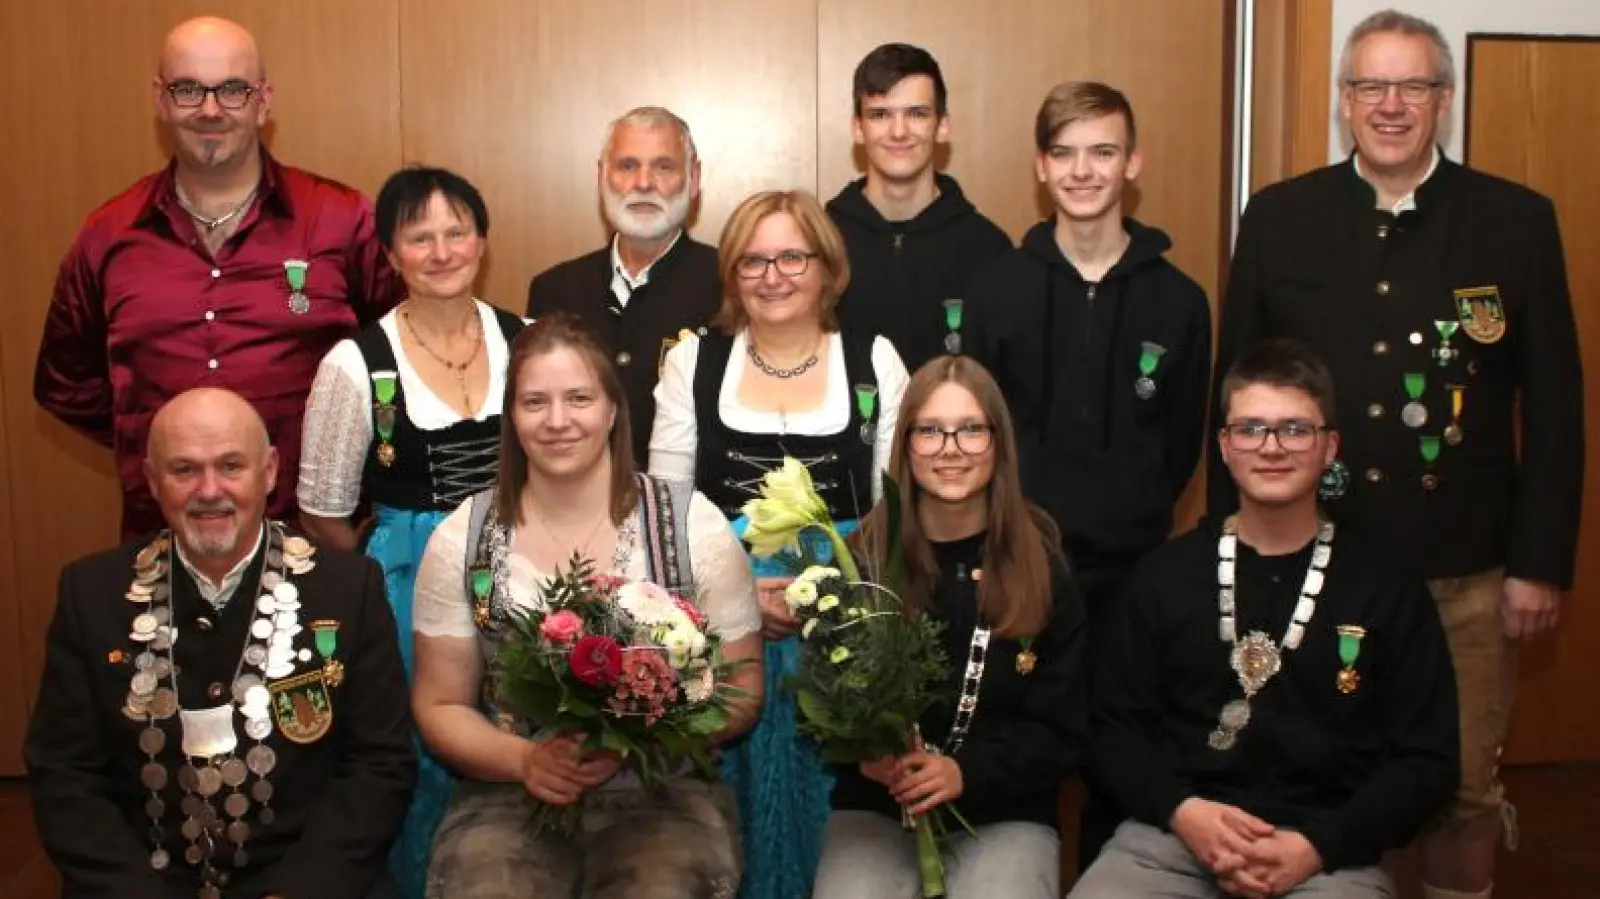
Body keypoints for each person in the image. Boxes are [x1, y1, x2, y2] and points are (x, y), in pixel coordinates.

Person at [1208, 11, 1584, 897]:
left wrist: (1541, 564)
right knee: (1314, 764)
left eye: (1412, 86)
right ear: (1344, 102)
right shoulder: (1279, 216)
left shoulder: (1516, 221)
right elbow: (1233, 390)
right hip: (1315, 559)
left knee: (1460, 784)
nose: (1390, 105)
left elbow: (1557, 409)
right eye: (1370, 86)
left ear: (1444, 101)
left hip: (1465, 568)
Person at [1072, 339, 1459, 898]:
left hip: (1328, 853)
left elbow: (1428, 763)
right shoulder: (1162, 577)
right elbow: (1113, 731)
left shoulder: (1388, 588)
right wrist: (1183, 812)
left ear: (1330, 447)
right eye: (1251, 429)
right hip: (1171, 839)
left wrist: (1318, 845)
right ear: (1225, 447)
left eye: (1296, 429)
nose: (1272, 447)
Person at [410, 313, 765, 899]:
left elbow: (745, 687)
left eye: (578, 398)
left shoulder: (691, 525)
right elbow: (441, 703)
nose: (557, 421)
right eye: (534, 402)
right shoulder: (462, 538)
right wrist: (527, 761)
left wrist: (637, 744)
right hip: (508, 794)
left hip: (662, 789)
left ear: (612, 411)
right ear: (512, 416)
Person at [25, 387, 415, 899]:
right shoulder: (91, 594)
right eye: (184, 470)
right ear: (151, 481)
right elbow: (64, 774)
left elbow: (379, 766)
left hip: (308, 880)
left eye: (231, 466)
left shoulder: (347, 590)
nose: (210, 491)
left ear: (270, 471)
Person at [965, 79, 1212, 866]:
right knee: (1022, 744)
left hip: (1131, 570)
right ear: (1040, 167)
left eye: (1102, 151)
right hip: (1019, 564)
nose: (1083, 171)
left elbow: (1182, 445)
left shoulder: (1179, 300)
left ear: (1131, 162)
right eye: (1064, 153)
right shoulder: (998, 287)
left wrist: (1130, 511)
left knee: (1120, 749)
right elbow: (977, 436)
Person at [33, 16, 402, 539]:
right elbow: (65, 386)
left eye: (232, 89)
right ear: (160, 99)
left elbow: (405, 364)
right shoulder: (107, 234)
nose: (210, 110)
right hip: (163, 544)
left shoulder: (343, 221)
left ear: (264, 101)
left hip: (317, 543)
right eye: (188, 89)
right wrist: (154, 442)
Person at [650, 188, 909, 899]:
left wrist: (836, 596)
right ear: (732, 275)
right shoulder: (693, 365)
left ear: (827, 267)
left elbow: (902, 506)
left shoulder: (874, 360)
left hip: (850, 624)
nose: (774, 275)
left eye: (792, 255)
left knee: (841, 829)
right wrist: (736, 594)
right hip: (715, 624)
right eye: (753, 260)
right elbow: (664, 514)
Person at [296, 165, 525, 899]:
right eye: (417, 236)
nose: (440, 250)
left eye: (456, 231)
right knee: (422, 749)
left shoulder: (525, 339)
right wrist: (386, 575)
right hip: (407, 583)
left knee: (523, 733)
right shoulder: (354, 362)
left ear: (482, 242)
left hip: (525, 569)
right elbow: (322, 509)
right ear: (390, 255)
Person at [811, 355, 1086, 899]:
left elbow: (1064, 729)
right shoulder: (859, 560)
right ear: (905, 444)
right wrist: (866, 754)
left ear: (998, 443)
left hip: (1003, 811)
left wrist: (967, 773)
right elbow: (821, 704)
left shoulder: (1044, 563)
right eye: (930, 431)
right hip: (880, 810)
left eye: (970, 431)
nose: (950, 450)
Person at [526, 106, 722, 464]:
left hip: (691, 511)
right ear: (602, 177)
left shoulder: (730, 287)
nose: (644, 183)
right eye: (627, 166)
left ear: (693, 180)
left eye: (664, 167)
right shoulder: (552, 291)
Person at [825, 43, 1012, 372]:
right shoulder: (820, 241)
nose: (899, 132)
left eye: (916, 113)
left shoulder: (989, 249)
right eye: (880, 114)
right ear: (858, 128)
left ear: (943, 126)